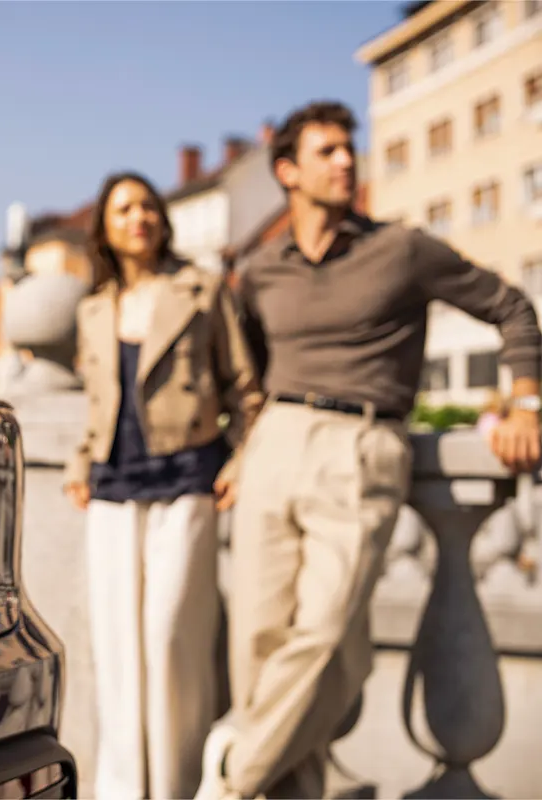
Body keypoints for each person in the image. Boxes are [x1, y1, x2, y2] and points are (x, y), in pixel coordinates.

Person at [195, 100, 542, 800]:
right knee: (259, 643)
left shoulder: (403, 250)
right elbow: (248, 376)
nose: (346, 162)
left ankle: (229, 779)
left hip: (362, 442)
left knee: (325, 637)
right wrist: (241, 447)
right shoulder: (261, 270)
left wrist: (526, 403)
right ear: (287, 171)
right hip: (275, 443)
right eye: (326, 151)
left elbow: (511, 307)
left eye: (347, 149)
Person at [63, 171, 264, 800]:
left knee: (173, 637)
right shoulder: (94, 308)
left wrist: (240, 459)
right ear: (105, 228)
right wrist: (79, 462)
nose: (140, 217)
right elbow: (98, 404)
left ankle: (178, 785)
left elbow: (245, 389)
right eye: (124, 209)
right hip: (111, 489)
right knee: (118, 649)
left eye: (148, 206)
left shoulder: (202, 289)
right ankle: (123, 790)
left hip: (187, 479)